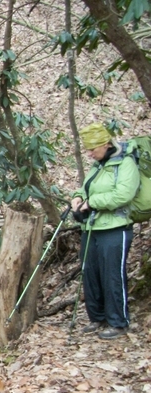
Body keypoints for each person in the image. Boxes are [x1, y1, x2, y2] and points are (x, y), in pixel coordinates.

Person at [71, 123, 140, 340]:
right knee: (90, 272)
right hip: (92, 227)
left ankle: (118, 322)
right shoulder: (98, 165)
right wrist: (77, 197)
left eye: (93, 149)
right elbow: (86, 187)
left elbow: (123, 195)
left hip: (115, 228)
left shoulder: (126, 163)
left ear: (105, 144)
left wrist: (92, 203)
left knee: (112, 274)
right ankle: (98, 317)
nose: (90, 154)